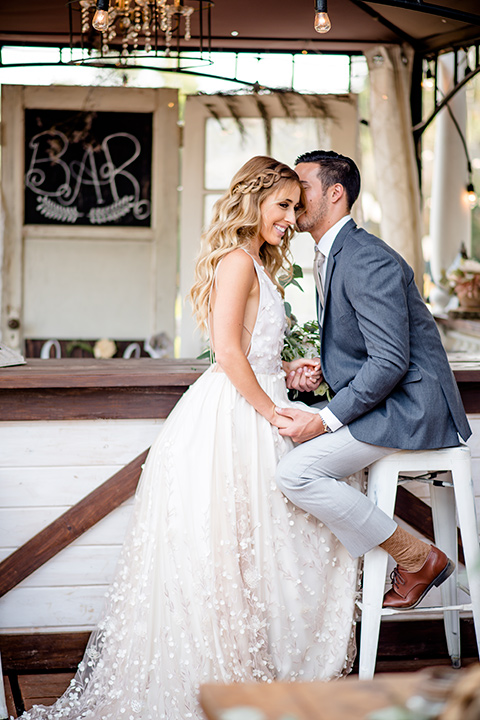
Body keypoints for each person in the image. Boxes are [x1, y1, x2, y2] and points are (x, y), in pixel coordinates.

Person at [22, 157, 361, 720]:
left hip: (254, 404)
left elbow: (252, 349)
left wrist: (291, 371)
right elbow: (227, 353)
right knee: (227, 555)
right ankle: (226, 685)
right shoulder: (236, 261)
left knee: (261, 552)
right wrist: (272, 412)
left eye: (295, 206)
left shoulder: (258, 261)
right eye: (281, 205)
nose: (290, 217)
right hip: (234, 419)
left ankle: (257, 683)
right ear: (252, 202)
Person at [276, 150, 472, 611]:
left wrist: (324, 420)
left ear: (334, 193)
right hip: (389, 400)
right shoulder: (336, 252)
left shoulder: (365, 257)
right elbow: (370, 348)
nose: (291, 198)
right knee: (284, 451)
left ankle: (418, 558)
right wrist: (331, 368)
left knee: (296, 473)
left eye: (301, 188)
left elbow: (389, 363)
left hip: (411, 408)